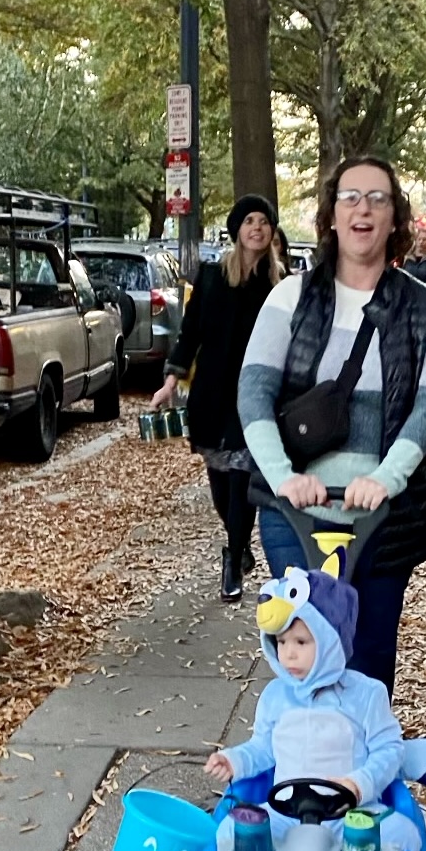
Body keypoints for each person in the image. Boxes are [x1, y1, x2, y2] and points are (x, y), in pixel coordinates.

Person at [236, 156, 426, 695]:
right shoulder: (290, 297)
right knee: (302, 663)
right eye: (350, 197)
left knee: (369, 665)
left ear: (394, 217)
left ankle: (362, 776)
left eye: (377, 198)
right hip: (294, 513)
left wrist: (386, 478)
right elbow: (254, 394)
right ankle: (297, 775)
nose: (363, 208)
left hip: (384, 518)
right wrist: (283, 475)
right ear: (332, 215)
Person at [203, 566, 423, 851]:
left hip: (352, 814)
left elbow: (390, 750)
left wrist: (359, 784)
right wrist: (233, 760)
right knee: (228, 834)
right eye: (281, 642)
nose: (288, 653)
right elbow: (263, 748)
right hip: (286, 814)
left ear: (331, 639)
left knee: (404, 837)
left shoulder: (366, 695)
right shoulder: (275, 696)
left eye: (301, 642)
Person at [153, 195, 286, 601]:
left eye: (264, 221)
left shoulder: (280, 283)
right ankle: (240, 544)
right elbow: (190, 332)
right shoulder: (210, 276)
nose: (257, 228)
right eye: (249, 220)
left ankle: (232, 560)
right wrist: (171, 380)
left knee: (243, 476)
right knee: (220, 480)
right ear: (237, 229)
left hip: (256, 396)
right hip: (211, 392)